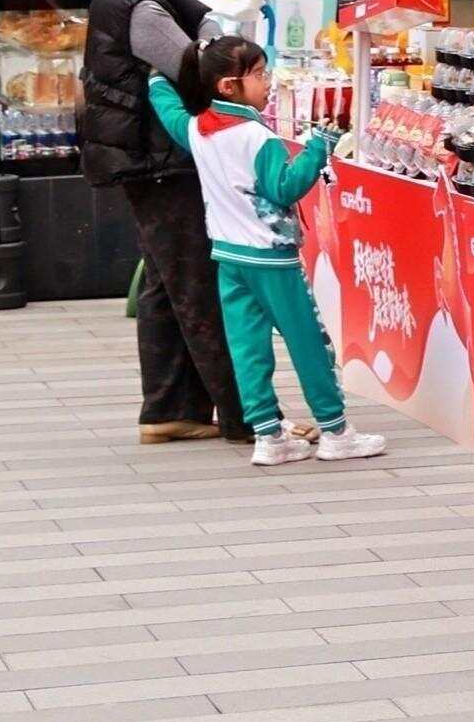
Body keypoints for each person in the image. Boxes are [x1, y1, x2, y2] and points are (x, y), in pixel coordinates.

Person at [148, 36, 383, 468]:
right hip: (272, 258)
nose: (267, 81)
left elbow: (167, 108)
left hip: (229, 257)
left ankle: (268, 435)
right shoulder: (258, 137)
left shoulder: (197, 129)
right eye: (258, 74)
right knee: (308, 342)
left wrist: (156, 76)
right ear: (228, 86)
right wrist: (318, 147)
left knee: (248, 348)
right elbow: (285, 188)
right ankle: (335, 431)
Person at [81, 0, 242, 445]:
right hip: (159, 158)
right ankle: (246, 415)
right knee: (197, 284)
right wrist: (224, 51)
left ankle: (170, 410)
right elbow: (193, 70)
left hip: (144, 156)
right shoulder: (143, 4)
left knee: (166, 282)